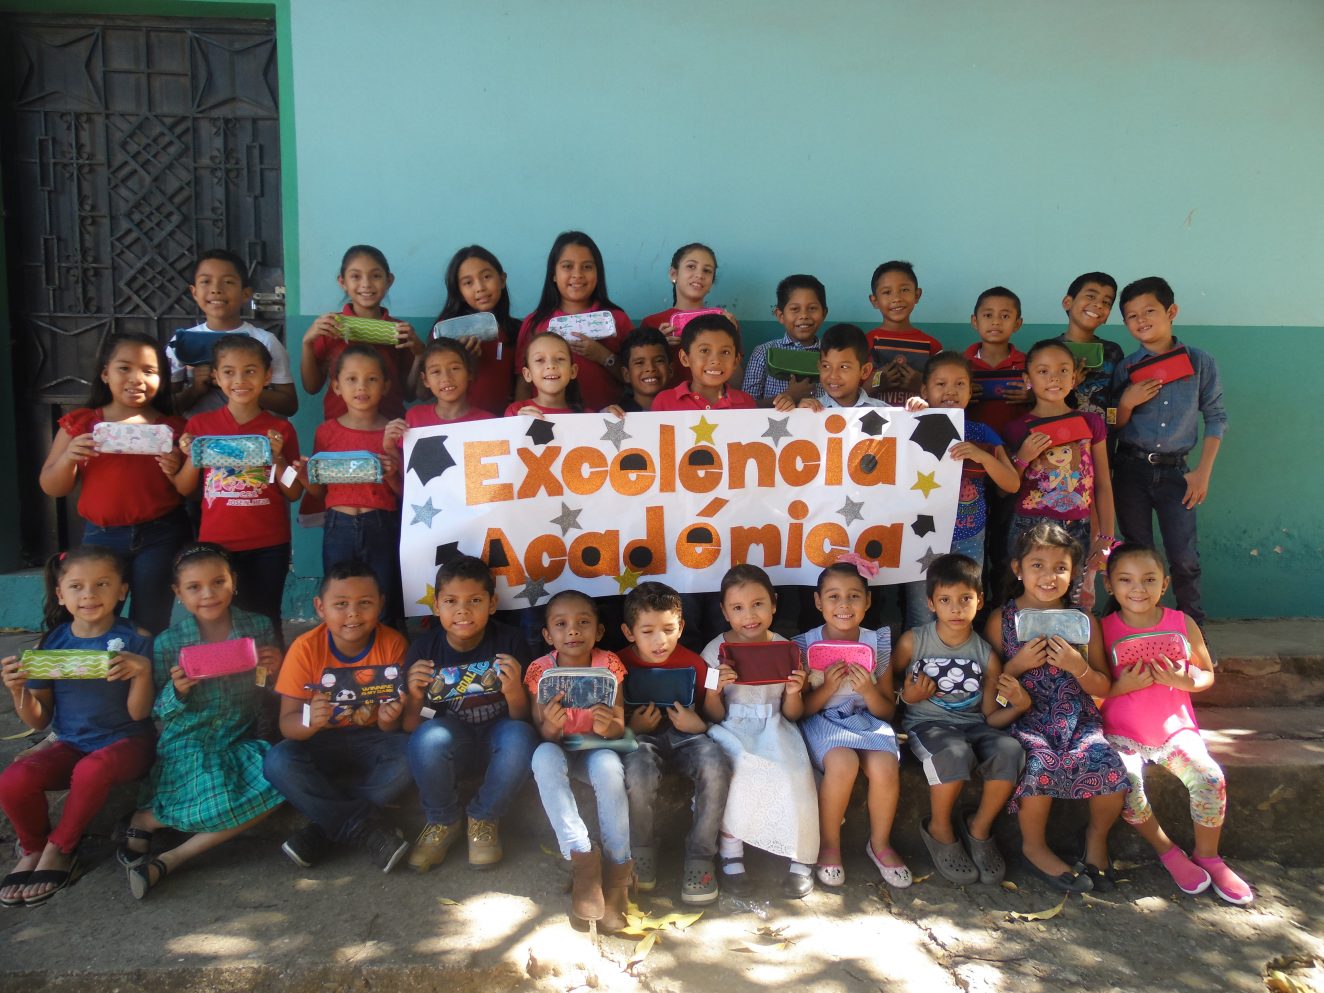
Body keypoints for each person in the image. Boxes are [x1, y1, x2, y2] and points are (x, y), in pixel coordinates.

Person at [121, 542, 284, 898]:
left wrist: (272, 671)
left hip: (238, 735)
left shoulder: (257, 627)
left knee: (282, 781)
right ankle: (150, 825)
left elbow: (264, 690)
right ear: (178, 593)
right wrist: (177, 691)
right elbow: (157, 710)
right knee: (216, 788)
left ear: (233, 582)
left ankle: (169, 852)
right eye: (194, 587)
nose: (208, 594)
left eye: (218, 582)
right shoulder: (169, 642)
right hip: (188, 738)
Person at [0, 547, 154, 906]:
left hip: (127, 742)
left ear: (122, 590)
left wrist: (143, 673)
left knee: (91, 769)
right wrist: (17, 690)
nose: (89, 594)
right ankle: (33, 848)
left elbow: (139, 715)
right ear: (60, 594)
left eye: (102, 584)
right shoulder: (53, 643)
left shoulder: (137, 638)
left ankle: (61, 849)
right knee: (14, 779)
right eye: (76, 586)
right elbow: (40, 718)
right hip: (71, 742)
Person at [1099, 543, 1251, 904]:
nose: (1138, 589)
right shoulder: (1101, 630)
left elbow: (1206, 674)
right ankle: (1167, 851)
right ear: (1109, 585)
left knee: (1210, 778)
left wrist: (1185, 681)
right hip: (1120, 734)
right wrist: (1122, 686)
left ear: (1165, 583)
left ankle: (1209, 856)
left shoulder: (1182, 622)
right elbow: (1094, 691)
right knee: (1125, 783)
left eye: (1149, 579)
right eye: (1126, 580)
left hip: (1175, 732)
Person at [986, 523, 1129, 893]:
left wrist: (1077, 667)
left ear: (1074, 573)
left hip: (1077, 718)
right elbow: (990, 692)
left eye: (1060, 568)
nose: (1049, 577)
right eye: (1038, 565)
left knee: (1108, 764)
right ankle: (1034, 847)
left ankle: (1096, 839)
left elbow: (1103, 686)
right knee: (1040, 762)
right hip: (1025, 717)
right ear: (1018, 569)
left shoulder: (1084, 621)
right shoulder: (1001, 621)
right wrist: (1016, 666)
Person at [264, 562, 412, 872]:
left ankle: (325, 829)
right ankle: (364, 829)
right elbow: (287, 723)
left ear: (381, 604)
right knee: (278, 761)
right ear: (320, 607)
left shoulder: (393, 643)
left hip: (373, 738)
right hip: (319, 741)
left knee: (411, 756)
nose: (353, 614)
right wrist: (310, 722)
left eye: (365, 603)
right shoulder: (305, 649)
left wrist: (389, 718)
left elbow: (393, 726)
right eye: (341, 604)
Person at [39, 332, 188, 633]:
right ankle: (97, 664)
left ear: (162, 380)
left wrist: (175, 470)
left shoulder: (174, 429)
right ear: (105, 373)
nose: (136, 379)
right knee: (93, 617)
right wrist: (69, 458)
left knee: (152, 620)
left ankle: (142, 664)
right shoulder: (82, 424)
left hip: (161, 534)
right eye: (124, 368)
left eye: (149, 371)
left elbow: (190, 490)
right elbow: (52, 486)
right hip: (102, 536)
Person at [894, 553, 1026, 886]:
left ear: (979, 600)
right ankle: (940, 827)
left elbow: (990, 715)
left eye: (965, 599)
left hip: (974, 726)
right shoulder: (913, 642)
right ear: (930, 603)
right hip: (927, 725)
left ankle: (979, 828)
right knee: (954, 752)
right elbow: (889, 683)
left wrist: (1019, 707)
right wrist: (907, 697)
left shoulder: (986, 655)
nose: (956, 608)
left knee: (1010, 750)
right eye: (945, 600)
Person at [399, 556, 538, 872]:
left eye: (474, 600)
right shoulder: (424, 650)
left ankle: (484, 817)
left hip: (500, 738)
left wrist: (513, 690)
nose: (462, 611)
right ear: (436, 606)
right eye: (451, 601)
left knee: (521, 736)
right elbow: (411, 728)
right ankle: (443, 820)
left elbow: (523, 719)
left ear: (492, 604)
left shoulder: (510, 640)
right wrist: (416, 697)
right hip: (453, 740)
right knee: (427, 738)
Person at [1110, 276, 1225, 630]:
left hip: (1178, 474)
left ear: (1171, 311)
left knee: (1184, 558)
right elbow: (1111, 423)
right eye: (1132, 316)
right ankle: (1140, 629)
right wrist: (1126, 403)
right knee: (1136, 554)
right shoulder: (1126, 367)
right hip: (1130, 470)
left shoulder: (1200, 361)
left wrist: (1202, 473)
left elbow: (1216, 417)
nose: (1141, 320)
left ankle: (1193, 631)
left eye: (1149, 311)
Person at [701, 565, 819, 899]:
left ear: (774, 604)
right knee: (739, 765)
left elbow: (793, 714)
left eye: (758, 604)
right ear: (724, 612)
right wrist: (714, 690)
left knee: (796, 771)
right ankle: (731, 852)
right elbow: (711, 713)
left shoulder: (786, 648)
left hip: (775, 724)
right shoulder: (714, 651)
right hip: (731, 726)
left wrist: (794, 691)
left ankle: (801, 856)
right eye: (737, 608)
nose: (749, 616)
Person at [174, 335, 302, 639]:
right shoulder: (200, 427)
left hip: (269, 543)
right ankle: (227, 670)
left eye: (250, 371)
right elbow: (183, 488)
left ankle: (270, 671)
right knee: (220, 622)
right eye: (229, 372)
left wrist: (278, 459)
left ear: (267, 377)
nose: (240, 380)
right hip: (217, 545)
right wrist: (194, 456)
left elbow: (294, 491)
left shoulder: (280, 429)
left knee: (266, 619)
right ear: (216, 377)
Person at [794, 561, 909, 889]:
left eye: (854, 596)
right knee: (842, 763)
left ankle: (880, 844)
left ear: (868, 601)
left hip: (866, 720)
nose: (844, 604)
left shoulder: (877, 643)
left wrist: (869, 691)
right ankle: (829, 844)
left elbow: (886, 711)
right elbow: (800, 710)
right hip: (822, 721)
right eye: (833, 596)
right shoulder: (803, 645)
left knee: (885, 765)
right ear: (818, 602)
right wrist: (828, 688)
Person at [525, 591, 634, 931]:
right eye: (561, 624)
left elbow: (619, 725)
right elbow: (542, 733)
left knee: (608, 767)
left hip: (596, 748)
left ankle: (618, 872)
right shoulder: (541, 670)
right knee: (542, 756)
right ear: (548, 635)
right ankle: (583, 861)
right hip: (559, 749)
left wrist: (608, 725)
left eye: (583, 622)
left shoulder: (608, 664)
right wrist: (551, 725)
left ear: (599, 631)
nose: (573, 630)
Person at [618, 582, 731, 905]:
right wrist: (632, 727)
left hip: (688, 736)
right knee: (637, 769)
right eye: (648, 631)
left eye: (668, 630)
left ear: (681, 627)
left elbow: (714, 713)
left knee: (715, 763)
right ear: (628, 632)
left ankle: (701, 856)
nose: (660, 641)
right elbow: (610, 718)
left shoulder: (696, 663)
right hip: (642, 737)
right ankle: (640, 849)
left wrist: (700, 724)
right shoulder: (617, 664)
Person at [903, 352, 1021, 629]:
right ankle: (918, 655)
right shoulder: (910, 423)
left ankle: (962, 654)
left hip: (968, 536)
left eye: (960, 384)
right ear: (924, 391)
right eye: (940, 384)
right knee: (921, 610)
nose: (950, 391)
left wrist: (983, 457)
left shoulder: (981, 432)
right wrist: (915, 416)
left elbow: (1012, 483)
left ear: (970, 390)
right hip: (920, 537)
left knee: (963, 609)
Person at [296, 345, 404, 624]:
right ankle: (345, 646)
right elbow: (320, 491)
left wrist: (391, 473)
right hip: (337, 525)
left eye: (372, 379)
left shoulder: (394, 431)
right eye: (351, 379)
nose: (361, 387)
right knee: (340, 595)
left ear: (386, 386)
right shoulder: (326, 432)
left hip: (381, 524)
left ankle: (389, 649)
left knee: (385, 595)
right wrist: (305, 477)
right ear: (336, 386)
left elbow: (404, 493)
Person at [1000, 339, 1116, 596]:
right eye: (1043, 371)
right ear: (1027, 379)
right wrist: (1023, 457)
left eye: (1063, 370)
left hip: (1079, 526)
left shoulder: (1091, 423)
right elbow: (1005, 489)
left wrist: (1106, 536)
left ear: (1074, 378)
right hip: (1029, 527)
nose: (1054, 378)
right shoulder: (1016, 428)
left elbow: (1102, 483)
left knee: (1073, 599)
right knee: (1028, 596)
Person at [168, 248, 297, 417]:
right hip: (197, 433)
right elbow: (168, 407)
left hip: (254, 432)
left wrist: (245, 388)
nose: (216, 289)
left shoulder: (265, 341)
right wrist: (196, 389)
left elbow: (289, 405)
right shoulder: (182, 342)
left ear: (246, 294)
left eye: (228, 282)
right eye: (206, 281)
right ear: (194, 292)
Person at [300, 244, 421, 421]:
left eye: (376, 276)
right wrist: (307, 343)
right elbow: (311, 387)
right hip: (339, 426)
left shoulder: (401, 331)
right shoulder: (330, 327)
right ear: (342, 282)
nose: (366, 284)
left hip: (389, 426)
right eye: (356, 276)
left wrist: (419, 353)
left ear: (389, 281)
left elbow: (409, 394)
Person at [964, 287, 1031, 600]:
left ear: (1017, 324)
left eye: (1005, 316)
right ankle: (974, 613)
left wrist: (1031, 395)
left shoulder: (1027, 366)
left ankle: (1001, 611)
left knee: (1004, 546)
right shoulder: (962, 365)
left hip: (1012, 466)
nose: (995, 322)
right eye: (988, 315)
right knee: (971, 543)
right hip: (968, 472)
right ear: (974, 321)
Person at [515, 231, 630, 412]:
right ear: (553, 274)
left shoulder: (616, 319)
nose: (577, 274)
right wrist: (520, 419)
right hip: (547, 422)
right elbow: (523, 382)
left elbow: (635, 377)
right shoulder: (535, 323)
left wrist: (603, 356)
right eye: (567, 266)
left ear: (598, 273)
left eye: (587, 267)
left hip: (607, 421)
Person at [431, 246, 520, 416]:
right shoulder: (446, 331)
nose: (480, 287)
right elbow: (425, 390)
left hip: (502, 423)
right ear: (459, 291)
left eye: (486, 277)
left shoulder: (516, 330)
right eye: (468, 282)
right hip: (458, 423)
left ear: (502, 280)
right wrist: (461, 359)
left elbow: (523, 381)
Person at [640, 243, 734, 383]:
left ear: (712, 282)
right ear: (674, 274)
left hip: (714, 397)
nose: (699, 275)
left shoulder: (724, 321)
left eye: (707, 270)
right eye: (691, 266)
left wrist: (732, 334)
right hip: (669, 396)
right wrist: (658, 348)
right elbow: (643, 381)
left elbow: (736, 382)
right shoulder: (652, 323)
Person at [742, 274, 827, 408]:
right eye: (795, 309)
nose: (804, 315)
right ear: (780, 315)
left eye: (812, 308)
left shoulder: (830, 354)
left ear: (824, 313)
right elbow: (747, 406)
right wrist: (790, 395)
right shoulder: (763, 352)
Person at [865, 260, 941, 407]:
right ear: (874, 301)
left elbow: (944, 392)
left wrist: (921, 384)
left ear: (917, 295)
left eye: (904, 290)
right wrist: (876, 382)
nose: (897, 298)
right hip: (874, 421)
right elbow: (851, 394)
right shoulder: (865, 342)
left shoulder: (932, 346)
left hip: (917, 420)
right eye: (887, 292)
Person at [651, 313, 756, 412]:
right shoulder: (664, 402)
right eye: (704, 350)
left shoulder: (747, 403)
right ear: (685, 358)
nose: (715, 361)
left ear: (735, 361)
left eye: (725, 352)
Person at [1057, 272, 1122, 418]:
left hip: (1102, 432)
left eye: (1106, 302)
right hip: (1059, 430)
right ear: (1067, 302)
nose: (1099, 304)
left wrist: (1111, 427)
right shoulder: (1047, 350)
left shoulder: (1113, 351)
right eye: (1091, 296)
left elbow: (1115, 399)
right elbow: (1035, 393)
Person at [799, 323, 889, 410]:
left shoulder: (884, 411)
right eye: (826, 366)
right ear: (819, 367)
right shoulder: (809, 411)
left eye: (844, 367)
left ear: (865, 371)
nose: (833, 375)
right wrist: (799, 414)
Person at [506, 331, 585, 416]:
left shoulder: (588, 417)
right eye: (539, 360)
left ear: (573, 371)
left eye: (560, 358)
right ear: (527, 374)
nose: (551, 365)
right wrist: (520, 421)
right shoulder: (516, 412)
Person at [617, 327, 672, 411]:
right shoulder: (611, 415)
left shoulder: (686, 410)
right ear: (626, 375)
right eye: (640, 363)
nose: (650, 368)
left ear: (670, 370)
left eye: (659, 361)